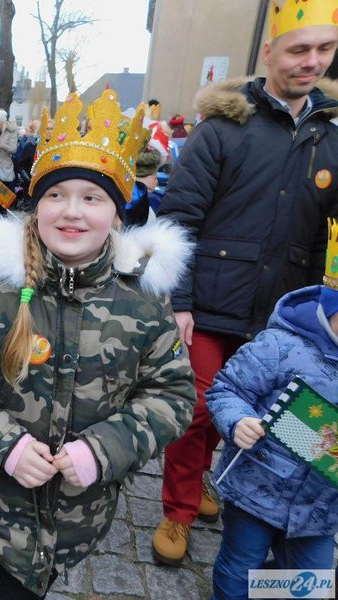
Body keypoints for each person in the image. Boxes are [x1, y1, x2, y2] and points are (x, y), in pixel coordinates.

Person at [0, 90, 196, 600]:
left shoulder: (142, 302)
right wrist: (5, 444)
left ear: (117, 213)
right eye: (56, 195)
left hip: (82, 507)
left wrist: (104, 450)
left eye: (92, 198)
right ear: (36, 205)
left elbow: (173, 395)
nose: (72, 212)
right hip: (1, 499)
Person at [152, 1, 338, 566]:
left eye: (324, 50)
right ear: (269, 53)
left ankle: (238, 494)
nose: (311, 61)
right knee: (201, 410)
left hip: (285, 312)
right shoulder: (222, 129)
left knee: (274, 409)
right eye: (299, 49)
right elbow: (180, 216)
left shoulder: (330, 137)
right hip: (210, 302)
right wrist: (179, 300)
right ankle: (178, 508)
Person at [206, 221, 338, 599]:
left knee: (310, 583)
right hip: (257, 488)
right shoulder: (281, 345)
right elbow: (227, 389)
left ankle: (271, 590)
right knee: (238, 567)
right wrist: (238, 421)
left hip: (321, 507)